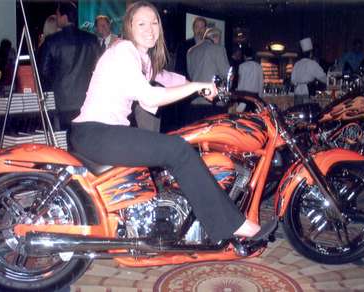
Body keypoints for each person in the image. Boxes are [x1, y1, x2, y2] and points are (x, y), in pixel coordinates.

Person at [71, 1, 261, 243]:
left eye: (154, 23)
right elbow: (150, 95)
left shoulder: (142, 58)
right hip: (95, 132)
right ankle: (231, 225)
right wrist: (196, 86)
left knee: (175, 147)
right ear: (129, 26)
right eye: (141, 23)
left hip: (99, 133)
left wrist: (203, 86)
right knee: (179, 150)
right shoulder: (124, 50)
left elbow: (167, 78)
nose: (149, 28)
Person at [37, 1, 100, 139]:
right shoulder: (92, 40)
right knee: (88, 139)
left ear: (64, 17)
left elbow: (44, 72)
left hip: (62, 101)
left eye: (58, 14)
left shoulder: (52, 41)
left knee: (65, 141)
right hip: (89, 99)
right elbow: (100, 69)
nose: (56, 17)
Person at [186, 27, 230, 122]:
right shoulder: (218, 49)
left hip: (196, 100)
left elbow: (190, 74)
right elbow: (226, 73)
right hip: (214, 100)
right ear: (216, 37)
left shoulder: (191, 51)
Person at [291, 37, 327, 105]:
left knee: (298, 111)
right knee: (307, 110)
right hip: (308, 92)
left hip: (297, 93)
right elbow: (323, 78)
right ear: (311, 53)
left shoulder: (297, 64)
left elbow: (292, 80)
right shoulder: (312, 63)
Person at [236, 45, 264, 112]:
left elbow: (241, 82)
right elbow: (261, 83)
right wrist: (260, 96)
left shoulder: (242, 66)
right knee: (253, 116)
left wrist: (238, 95)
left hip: (245, 96)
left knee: (243, 116)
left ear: (244, 55)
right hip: (255, 96)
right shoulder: (259, 66)